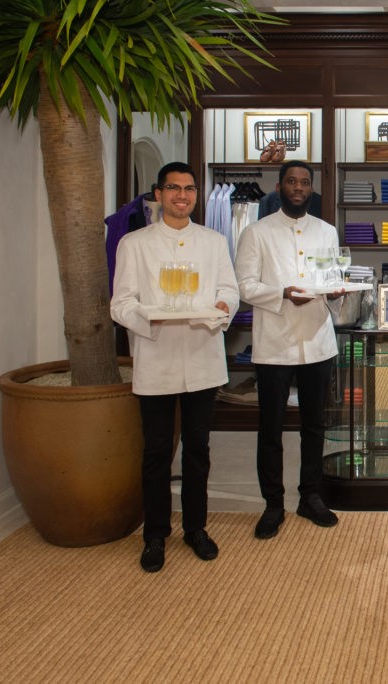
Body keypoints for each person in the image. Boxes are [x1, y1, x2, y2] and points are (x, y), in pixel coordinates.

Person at [111, 161, 240, 573]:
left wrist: (223, 307)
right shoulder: (135, 243)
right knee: (156, 452)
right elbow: (121, 304)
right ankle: (155, 535)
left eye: (189, 189)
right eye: (173, 188)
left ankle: (196, 529)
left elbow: (229, 290)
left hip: (202, 356)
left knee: (198, 450)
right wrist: (152, 317)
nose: (182, 196)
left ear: (197, 194)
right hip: (157, 357)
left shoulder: (214, 241)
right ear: (159, 193)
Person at [235, 160, 344, 536]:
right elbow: (245, 286)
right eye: (292, 181)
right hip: (274, 346)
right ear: (279, 186)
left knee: (315, 425)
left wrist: (335, 291)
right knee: (271, 428)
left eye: (305, 182)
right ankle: (273, 503)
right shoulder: (256, 233)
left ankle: (309, 496)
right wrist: (281, 293)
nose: (299, 187)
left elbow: (332, 278)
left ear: (312, 189)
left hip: (317, 341)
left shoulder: (327, 232)